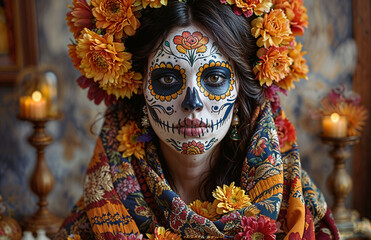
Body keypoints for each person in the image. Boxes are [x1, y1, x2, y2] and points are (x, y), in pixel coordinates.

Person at [56, 0, 339, 239]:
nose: (193, 103)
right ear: (139, 89)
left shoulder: (292, 206)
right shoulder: (103, 204)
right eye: (167, 78)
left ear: (240, 87)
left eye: (214, 78)